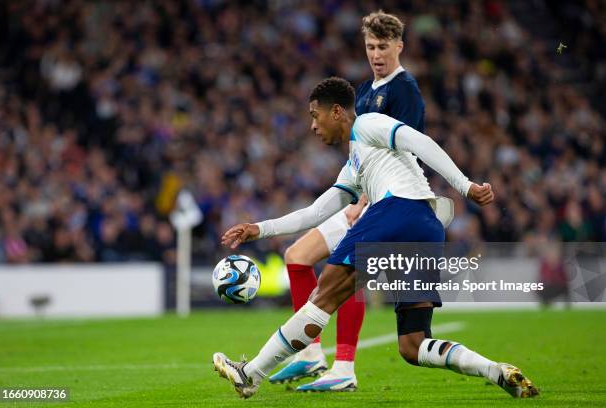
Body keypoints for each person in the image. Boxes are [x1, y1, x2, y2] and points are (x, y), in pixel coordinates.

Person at [214, 77, 538, 400]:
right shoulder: (354, 166)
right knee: (413, 345)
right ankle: (494, 369)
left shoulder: (368, 123)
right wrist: (260, 228)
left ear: (337, 112)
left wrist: (465, 185)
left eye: (315, 115)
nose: (312, 125)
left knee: (323, 297)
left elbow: (419, 142)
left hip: (397, 210)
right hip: (426, 227)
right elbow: (315, 213)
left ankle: (251, 373)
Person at [270, 11, 427, 392]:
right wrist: (355, 193)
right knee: (297, 256)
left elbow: (404, 152)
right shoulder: (365, 92)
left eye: (383, 46)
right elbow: (361, 157)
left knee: (347, 269)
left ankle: (343, 366)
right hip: (364, 197)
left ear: (399, 47)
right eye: (371, 46)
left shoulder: (404, 90)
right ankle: (311, 356)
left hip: (389, 201)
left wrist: (367, 201)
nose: (376, 54)